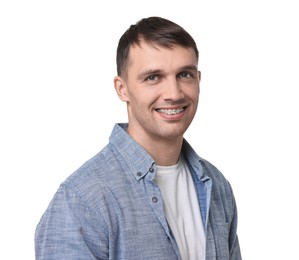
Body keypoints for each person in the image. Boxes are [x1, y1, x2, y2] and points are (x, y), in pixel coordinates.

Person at [35, 16, 242, 260]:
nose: (174, 93)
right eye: (153, 77)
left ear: (199, 80)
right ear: (122, 89)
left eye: (184, 74)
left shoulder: (216, 186)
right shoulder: (80, 201)